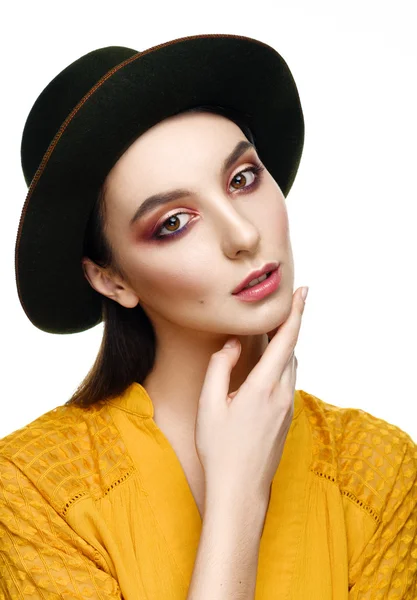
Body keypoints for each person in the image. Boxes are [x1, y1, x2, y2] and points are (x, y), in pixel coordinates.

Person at [1, 33, 416, 600]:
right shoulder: (34, 488)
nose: (244, 235)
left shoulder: (379, 469)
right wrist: (237, 496)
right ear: (111, 278)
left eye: (243, 179)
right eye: (174, 222)